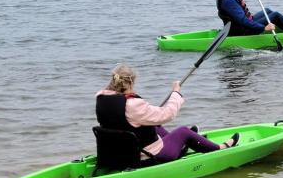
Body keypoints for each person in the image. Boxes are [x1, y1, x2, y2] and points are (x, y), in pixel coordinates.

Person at [96, 64, 236, 164]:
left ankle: (179, 142)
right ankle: (219, 148)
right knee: (183, 131)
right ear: (131, 82)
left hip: (118, 151)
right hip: (144, 155)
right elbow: (168, 114)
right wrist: (176, 93)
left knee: (155, 125)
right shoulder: (132, 105)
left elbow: (132, 119)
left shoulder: (101, 99)